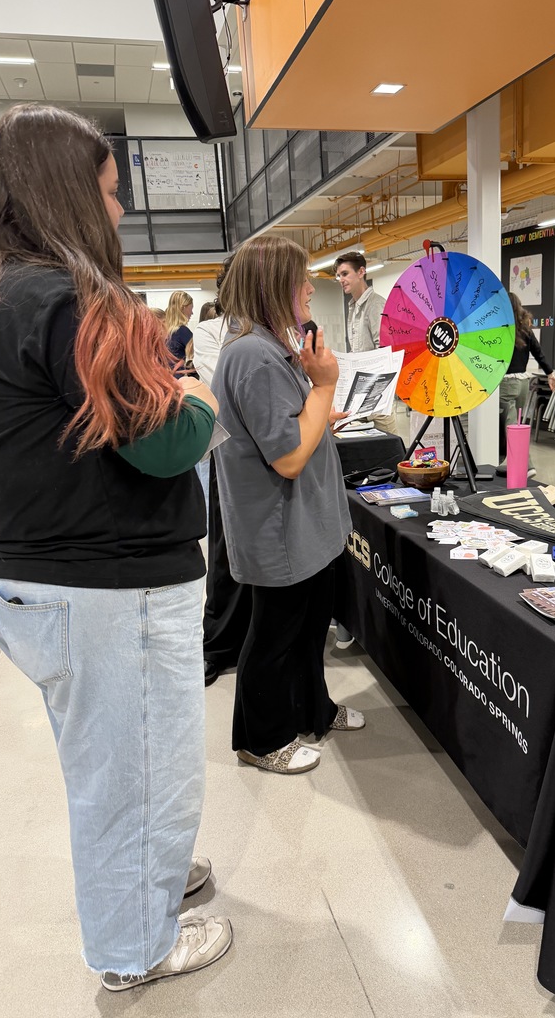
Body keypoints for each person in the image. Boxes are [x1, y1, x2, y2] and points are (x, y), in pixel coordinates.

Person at [0, 104, 231, 990]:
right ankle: (136, 945)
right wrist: (195, 393)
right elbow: (165, 441)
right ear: (70, 195)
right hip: (107, 586)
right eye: (112, 195)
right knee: (132, 777)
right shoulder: (69, 300)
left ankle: (150, 882)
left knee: (117, 766)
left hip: (30, 578)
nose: (120, 213)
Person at [211, 234, 363, 775]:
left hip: (303, 526)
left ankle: (311, 712)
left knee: (306, 626)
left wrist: (318, 408)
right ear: (276, 285)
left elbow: (288, 427)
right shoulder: (253, 355)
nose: (310, 287)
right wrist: (323, 390)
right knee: (274, 636)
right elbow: (288, 459)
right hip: (278, 529)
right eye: (301, 278)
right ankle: (261, 737)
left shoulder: (274, 347)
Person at [192, 256, 251, 686]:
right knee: (226, 552)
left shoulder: (278, 330)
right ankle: (218, 645)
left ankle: (255, 638)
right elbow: (225, 386)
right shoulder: (210, 331)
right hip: (230, 452)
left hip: (275, 450)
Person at [334, 250, 399, 436]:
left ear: (361, 272)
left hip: (377, 397)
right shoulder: (353, 308)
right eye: (339, 275)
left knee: (391, 451)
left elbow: (385, 352)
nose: (341, 279)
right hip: (359, 395)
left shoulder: (376, 305)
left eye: (345, 274)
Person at [496, 291, 555, 478]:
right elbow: (539, 353)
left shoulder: (500, 330)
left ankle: (526, 464)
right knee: (517, 425)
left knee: (511, 425)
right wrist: (550, 373)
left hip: (506, 384)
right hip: (523, 383)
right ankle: (508, 461)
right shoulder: (525, 329)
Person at [165, 290, 195, 366]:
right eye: (191, 308)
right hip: (178, 375)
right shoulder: (182, 331)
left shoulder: (164, 330)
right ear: (183, 308)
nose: (192, 312)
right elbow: (197, 355)